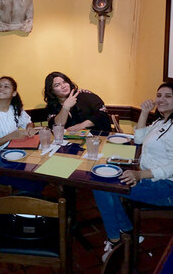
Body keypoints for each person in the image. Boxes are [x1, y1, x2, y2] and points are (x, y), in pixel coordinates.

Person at [93, 82, 173, 262]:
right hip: (149, 179)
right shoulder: (162, 121)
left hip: (166, 186)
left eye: (168, 96)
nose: (161, 99)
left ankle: (115, 241)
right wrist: (144, 112)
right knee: (103, 182)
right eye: (159, 95)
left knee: (102, 186)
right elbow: (138, 139)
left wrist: (140, 175)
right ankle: (127, 232)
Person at [0, 76, 45, 191]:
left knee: (41, 174)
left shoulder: (15, 109)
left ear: (14, 93)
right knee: (33, 184)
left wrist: (29, 128)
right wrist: (10, 136)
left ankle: (25, 203)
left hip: (12, 158)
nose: (1, 88)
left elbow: (29, 122)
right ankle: (19, 205)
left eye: (6, 86)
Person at [44, 71, 111, 132]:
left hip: (96, 137)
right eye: (57, 85)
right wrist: (66, 107)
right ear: (51, 91)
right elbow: (56, 126)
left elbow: (102, 113)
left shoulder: (83, 94)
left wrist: (81, 125)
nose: (63, 86)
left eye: (64, 82)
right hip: (69, 141)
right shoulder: (52, 105)